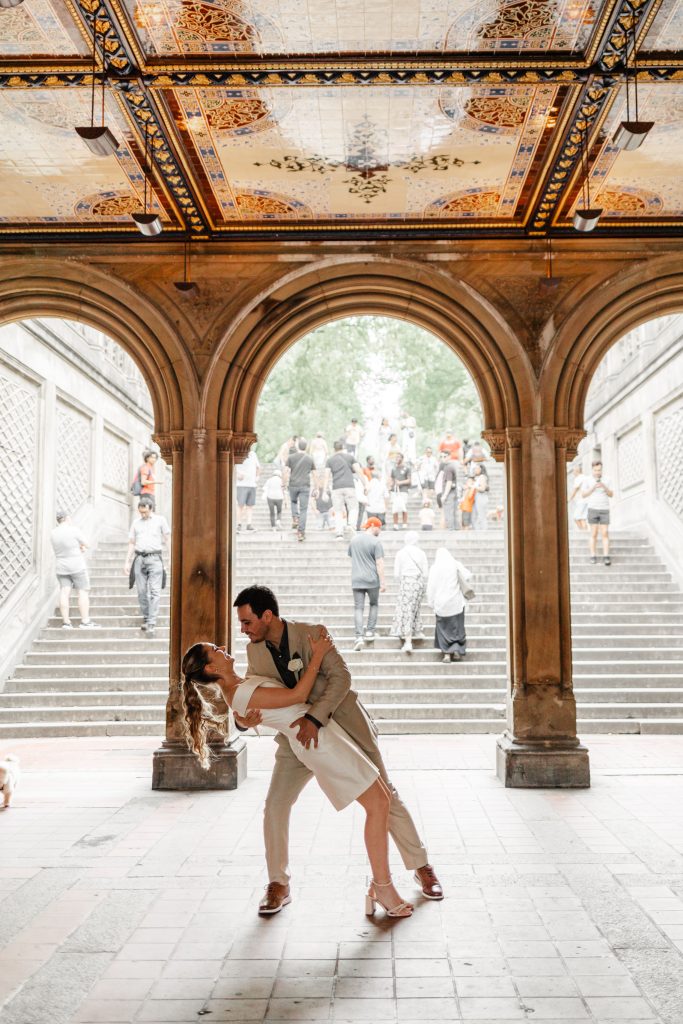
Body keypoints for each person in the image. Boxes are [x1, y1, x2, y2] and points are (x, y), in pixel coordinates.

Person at [229, 584, 443, 913]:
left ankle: (421, 867)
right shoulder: (255, 651)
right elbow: (253, 694)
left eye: (247, 622)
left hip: (343, 724)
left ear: (267, 615)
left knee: (385, 793)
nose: (243, 631)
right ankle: (278, 883)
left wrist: (315, 717)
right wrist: (244, 722)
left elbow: (342, 678)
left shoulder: (313, 634)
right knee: (275, 804)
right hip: (296, 739)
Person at [181, 632, 414, 918]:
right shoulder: (239, 693)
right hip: (320, 745)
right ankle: (383, 887)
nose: (223, 647)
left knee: (381, 801)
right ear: (211, 668)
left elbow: (251, 710)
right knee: (378, 805)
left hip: (326, 736)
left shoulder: (240, 686)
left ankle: (380, 886)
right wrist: (317, 655)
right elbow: (297, 696)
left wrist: (241, 720)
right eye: (215, 649)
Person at [124, 496, 170, 637]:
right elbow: (132, 542)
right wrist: (127, 561)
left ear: (151, 509)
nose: (143, 515)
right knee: (141, 592)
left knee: (155, 592)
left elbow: (167, 539)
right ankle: (146, 616)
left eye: (145, 512)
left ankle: (151, 622)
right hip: (139, 558)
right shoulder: (136, 523)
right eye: (141, 512)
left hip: (155, 558)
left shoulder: (160, 520)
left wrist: (171, 558)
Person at [50, 510, 97, 629]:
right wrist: (81, 548)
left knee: (64, 592)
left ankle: (66, 622)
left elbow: (63, 548)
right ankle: (85, 621)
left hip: (61, 566)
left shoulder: (53, 533)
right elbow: (87, 544)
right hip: (76, 566)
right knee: (82, 591)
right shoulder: (74, 530)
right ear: (67, 518)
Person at [427, 547, 473, 663]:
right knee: (457, 628)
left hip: (441, 604)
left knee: (443, 629)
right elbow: (468, 575)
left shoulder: (435, 568)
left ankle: (446, 654)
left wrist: (431, 602)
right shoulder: (455, 564)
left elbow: (431, 587)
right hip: (456, 602)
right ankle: (457, 650)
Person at [348, 517, 385, 651]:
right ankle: (370, 631)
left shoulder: (354, 540)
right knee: (374, 604)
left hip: (357, 579)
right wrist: (383, 582)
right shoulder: (376, 542)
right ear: (373, 526)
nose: (380, 530)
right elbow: (379, 563)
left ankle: (359, 637)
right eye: (379, 527)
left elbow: (352, 556)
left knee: (358, 608)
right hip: (372, 580)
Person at [390, 531, 428, 653]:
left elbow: (396, 574)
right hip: (418, 582)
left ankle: (408, 641)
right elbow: (425, 572)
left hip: (406, 582)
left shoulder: (401, 553)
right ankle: (417, 630)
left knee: (406, 610)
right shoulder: (421, 553)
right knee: (415, 608)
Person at [325, 440, 363, 539]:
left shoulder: (330, 460)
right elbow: (359, 471)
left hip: (336, 487)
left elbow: (326, 475)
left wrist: (325, 488)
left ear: (334, 449)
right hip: (349, 486)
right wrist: (366, 483)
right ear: (343, 448)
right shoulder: (350, 457)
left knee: (338, 511)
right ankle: (351, 525)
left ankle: (339, 533)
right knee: (353, 507)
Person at [582, 460, 613, 565]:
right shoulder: (587, 480)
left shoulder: (607, 479)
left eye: (599, 470)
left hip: (604, 509)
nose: (597, 472)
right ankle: (593, 555)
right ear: (592, 469)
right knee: (594, 533)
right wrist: (593, 487)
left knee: (605, 533)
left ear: (601, 469)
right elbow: (583, 494)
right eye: (595, 470)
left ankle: (606, 556)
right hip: (593, 508)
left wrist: (604, 486)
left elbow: (611, 494)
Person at [284, 438, 315, 542]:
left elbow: (286, 471)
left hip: (293, 484)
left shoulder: (291, 457)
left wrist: (284, 483)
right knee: (303, 509)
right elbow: (314, 474)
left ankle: (295, 518)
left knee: (293, 502)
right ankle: (301, 533)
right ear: (306, 447)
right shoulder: (310, 459)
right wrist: (316, 487)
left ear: (298, 447)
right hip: (305, 486)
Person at [236, 446, 260, 532]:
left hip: (251, 484)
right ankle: (238, 524)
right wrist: (237, 474)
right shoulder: (237, 453)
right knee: (240, 505)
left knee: (250, 506)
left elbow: (258, 467)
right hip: (241, 484)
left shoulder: (253, 454)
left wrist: (257, 477)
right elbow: (232, 466)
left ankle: (249, 524)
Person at [390, 452, 411, 530]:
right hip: (394, 491)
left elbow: (409, 480)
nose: (397, 459)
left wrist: (400, 482)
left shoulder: (407, 468)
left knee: (403, 507)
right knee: (395, 507)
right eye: (396, 457)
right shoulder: (393, 469)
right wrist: (390, 486)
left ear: (402, 458)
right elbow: (392, 479)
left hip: (403, 490)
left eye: (398, 457)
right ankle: (395, 525)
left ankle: (404, 524)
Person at [441, 454, 460, 530]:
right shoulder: (452, 466)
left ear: (449, 457)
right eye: (441, 456)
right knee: (454, 512)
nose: (443, 458)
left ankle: (451, 529)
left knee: (448, 512)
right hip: (453, 492)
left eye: (444, 456)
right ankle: (456, 528)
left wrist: (445, 495)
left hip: (449, 493)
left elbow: (449, 482)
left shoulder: (448, 467)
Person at [568, 464, 589, 531]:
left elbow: (575, 490)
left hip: (581, 501)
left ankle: (583, 532)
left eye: (574, 471)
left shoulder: (578, 478)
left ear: (577, 471)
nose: (573, 473)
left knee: (576, 517)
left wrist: (568, 499)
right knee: (582, 518)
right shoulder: (585, 477)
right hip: (586, 501)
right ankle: (585, 532)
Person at [471, 464, 489, 531]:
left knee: (482, 515)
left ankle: (484, 531)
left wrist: (474, 487)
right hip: (477, 497)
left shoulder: (482, 477)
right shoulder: (478, 477)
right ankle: (478, 530)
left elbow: (483, 488)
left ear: (481, 469)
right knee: (475, 516)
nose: (475, 470)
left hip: (481, 497)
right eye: (475, 468)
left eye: (477, 468)